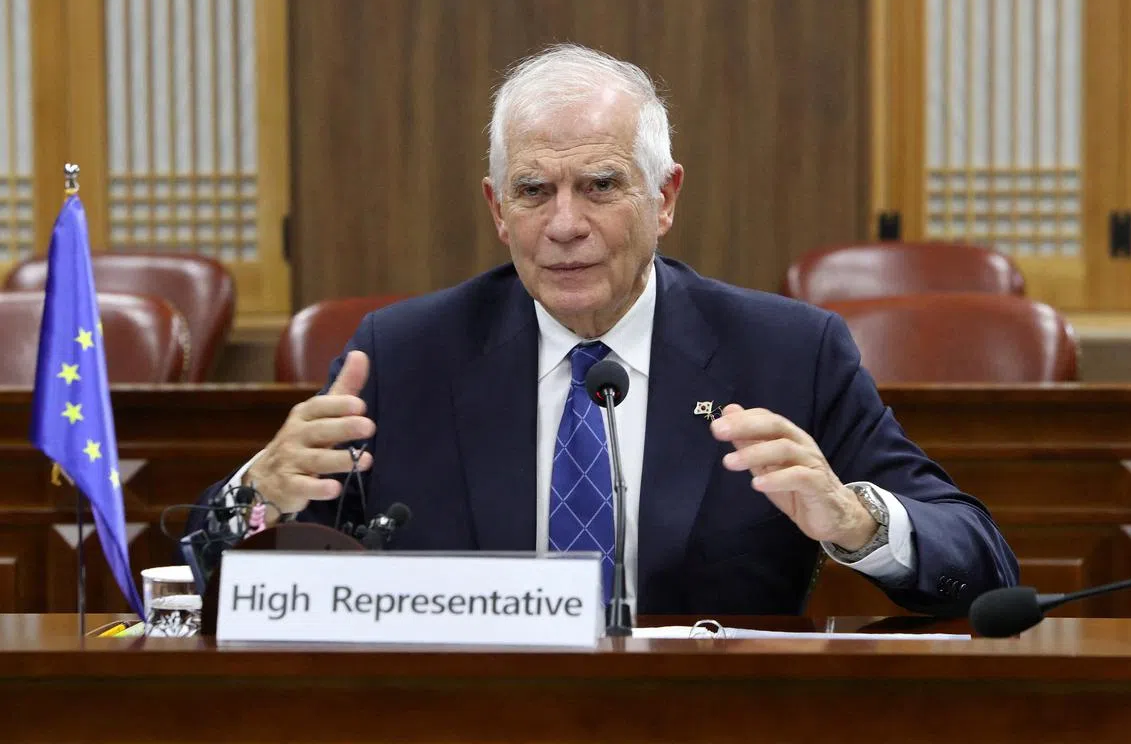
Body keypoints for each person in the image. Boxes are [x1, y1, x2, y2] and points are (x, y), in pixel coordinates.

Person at [188, 44, 1017, 616]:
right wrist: (254, 498)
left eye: (599, 185)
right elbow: (209, 579)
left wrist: (857, 520)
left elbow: (980, 562)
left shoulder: (787, 353)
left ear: (663, 198)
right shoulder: (404, 357)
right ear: (496, 211)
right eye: (534, 191)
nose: (564, 225)